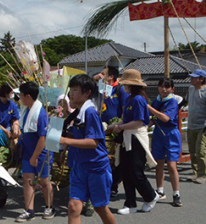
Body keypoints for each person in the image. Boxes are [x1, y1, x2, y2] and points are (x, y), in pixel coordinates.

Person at [60, 74, 116, 224]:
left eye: (75, 90)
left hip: (96, 167)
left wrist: (66, 140)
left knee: (100, 208)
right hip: (80, 167)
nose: (71, 93)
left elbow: (93, 142)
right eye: (71, 89)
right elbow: (77, 135)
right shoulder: (78, 112)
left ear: (87, 93)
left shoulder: (90, 112)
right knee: (73, 207)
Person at [107, 69, 158, 215]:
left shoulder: (138, 99)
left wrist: (120, 127)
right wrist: (113, 127)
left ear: (131, 85)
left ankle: (151, 196)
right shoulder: (130, 99)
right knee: (126, 171)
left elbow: (139, 122)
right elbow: (128, 120)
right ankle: (130, 204)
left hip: (136, 138)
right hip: (127, 137)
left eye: (125, 84)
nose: (123, 86)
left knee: (136, 172)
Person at [16, 82, 55, 222]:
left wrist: (35, 157)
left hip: (41, 153)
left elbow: (42, 139)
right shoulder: (26, 110)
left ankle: (49, 207)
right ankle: (29, 210)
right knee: (27, 180)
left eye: (20, 95)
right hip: (28, 152)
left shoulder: (41, 114)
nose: (19, 98)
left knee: (44, 181)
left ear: (27, 96)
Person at [147, 78, 182, 207]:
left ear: (172, 89)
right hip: (158, 133)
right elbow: (154, 119)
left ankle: (176, 193)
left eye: (167, 87)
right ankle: (160, 190)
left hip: (171, 133)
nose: (164, 89)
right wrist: (146, 126)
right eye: (161, 86)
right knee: (159, 163)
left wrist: (150, 108)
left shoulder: (172, 102)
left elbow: (165, 118)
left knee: (172, 165)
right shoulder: (156, 101)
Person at [99, 66, 129, 197]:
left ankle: (114, 185)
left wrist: (120, 124)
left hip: (115, 128)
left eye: (103, 74)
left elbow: (124, 108)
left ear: (111, 77)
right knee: (105, 157)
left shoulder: (120, 89)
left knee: (115, 159)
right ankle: (105, 184)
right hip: (102, 128)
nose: (100, 75)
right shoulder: (101, 88)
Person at [185, 69, 206, 184]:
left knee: (200, 150)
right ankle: (195, 172)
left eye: (194, 77)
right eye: (192, 77)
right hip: (191, 125)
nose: (192, 79)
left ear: (202, 79)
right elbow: (185, 101)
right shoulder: (191, 89)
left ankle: (201, 175)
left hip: (203, 125)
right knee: (192, 150)